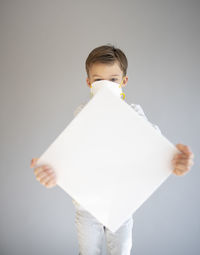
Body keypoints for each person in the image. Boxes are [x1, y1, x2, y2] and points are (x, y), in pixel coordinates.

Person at [30, 44, 194, 255]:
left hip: (121, 204)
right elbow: (71, 153)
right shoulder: (82, 114)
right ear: (89, 83)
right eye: (99, 80)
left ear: (124, 81)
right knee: (88, 251)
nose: (106, 85)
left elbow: (155, 147)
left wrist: (175, 161)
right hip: (86, 204)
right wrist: (54, 173)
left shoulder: (134, 113)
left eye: (113, 80)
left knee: (122, 251)